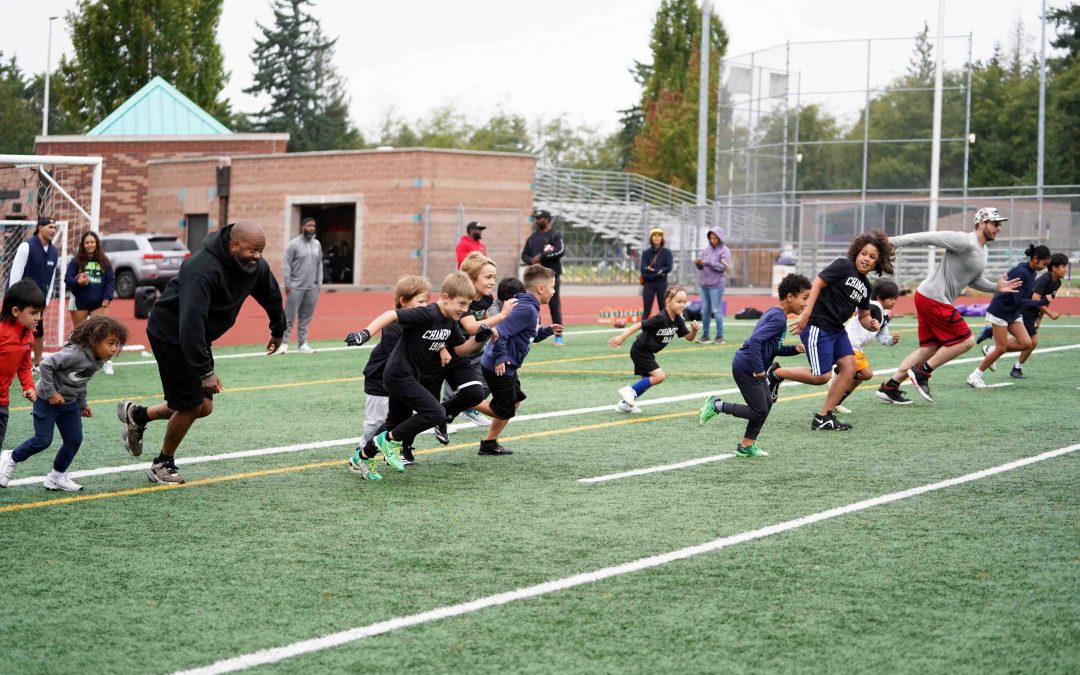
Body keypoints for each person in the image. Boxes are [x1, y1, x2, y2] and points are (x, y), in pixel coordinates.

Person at [116, 222, 286, 485]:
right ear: (234, 245)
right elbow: (190, 322)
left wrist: (278, 329)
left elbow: (271, 294)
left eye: (261, 250)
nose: (258, 256)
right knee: (192, 404)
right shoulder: (202, 268)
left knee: (203, 407)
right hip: (172, 334)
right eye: (253, 250)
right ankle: (162, 464)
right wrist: (205, 371)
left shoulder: (254, 266)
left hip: (196, 335)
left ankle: (137, 415)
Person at [344, 272, 493, 481]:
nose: (464, 309)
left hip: (410, 376)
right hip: (398, 375)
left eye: (467, 304)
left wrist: (479, 339)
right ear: (445, 297)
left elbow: (460, 350)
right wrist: (365, 333)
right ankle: (389, 441)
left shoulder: (450, 321)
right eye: (461, 303)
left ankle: (363, 456)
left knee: (395, 422)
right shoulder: (427, 313)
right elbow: (392, 315)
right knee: (436, 413)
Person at [876, 207, 1022, 404]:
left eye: (999, 225)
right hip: (934, 298)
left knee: (929, 348)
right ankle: (922, 373)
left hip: (929, 297)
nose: (998, 228)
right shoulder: (964, 240)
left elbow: (974, 280)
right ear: (981, 224)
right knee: (967, 341)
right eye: (995, 224)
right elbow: (928, 237)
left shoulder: (983, 250)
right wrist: (894, 241)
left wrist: (997, 287)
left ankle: (890, 387)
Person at [766, 230, 893, 431]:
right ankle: (777, 373)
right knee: (822, 377)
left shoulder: (867, 287)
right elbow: (817, 282)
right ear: (856, 252)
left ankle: (823, 416)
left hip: (837, 330)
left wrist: (872, 324)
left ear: (878, 262)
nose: (867, 259)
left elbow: (864, 316)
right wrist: (806, 313)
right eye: (864, 254)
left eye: (872, 257)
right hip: (818, 325)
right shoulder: (844, 265)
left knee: (850, 369)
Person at [0, 316, 127, 492]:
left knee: (74, 439)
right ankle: (10, 458)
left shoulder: (98, 360)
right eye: (111, 343)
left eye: (117, 344)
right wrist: (51, 393)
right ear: (94, 340)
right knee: (42, 440)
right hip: (46, 401)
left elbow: (81, 381)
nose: (114, 349)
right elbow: (45, 365)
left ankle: (56, 477)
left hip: (70, 404)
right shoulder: (75, 353)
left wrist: (83, 404)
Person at [698, 273, 812, 457]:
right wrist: (759, 370)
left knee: (766, 404)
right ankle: (717, 405)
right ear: (790, 296)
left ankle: (746, 445)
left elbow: (772, 347)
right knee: (759, 410)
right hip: (747, 367)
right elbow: (756, 341)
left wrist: (794, 349)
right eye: (804, 298)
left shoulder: (774, 313)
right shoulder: (778, 318)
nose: (806, 303)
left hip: (749, 364)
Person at [469, 267, 561, 455]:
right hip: (499, 365)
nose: (554, 291)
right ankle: (465, 401)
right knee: (504, 410)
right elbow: (500, 331)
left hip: (507, 366)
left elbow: (529, 334)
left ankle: (489, 443)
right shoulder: (527, 309)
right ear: (540, 289)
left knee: (515, 401)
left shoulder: (529, 306)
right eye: (552, 287)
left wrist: (547, 330)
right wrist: (502, 357)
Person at [357, 275, 432, 468]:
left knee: (400, 419)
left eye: (427, 301)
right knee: (376, 421)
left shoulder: (421, 322)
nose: (425, 306)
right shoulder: (394, 325)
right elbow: (396, 357)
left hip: (400, 380)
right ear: (403, 301)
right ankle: (362, 451)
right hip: (379, 379)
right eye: (420, 301)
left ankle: (395, 450)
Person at [439, 252, 518, 435]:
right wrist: (502, 315)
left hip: (472, 348)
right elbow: (472, 327)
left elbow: (483, 317)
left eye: (494, 277)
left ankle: (461, 409)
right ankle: (441, 417)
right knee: (450, 389)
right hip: (449, 350)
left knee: (485, 380)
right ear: (471, 279)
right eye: (488, 277)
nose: (492, 282)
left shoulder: (486, 298)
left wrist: (492, 326)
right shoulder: (463, 298)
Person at [966, 244, 1051, 388]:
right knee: (1002, 348)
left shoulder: (1032, 273)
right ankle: (974, 376)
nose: (1045, 267)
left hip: (1013, 312)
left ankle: (989, 350)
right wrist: (1041, 302)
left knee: (1026, 343)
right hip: (1000, 311)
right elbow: (1019, 299)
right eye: (1044, 263)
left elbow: (1021, 295)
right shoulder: (1022, 271)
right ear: (1035, 259)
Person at [609, 286, 699, 413]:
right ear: (668, 301)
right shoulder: (661, 318)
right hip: (640, 350)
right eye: (679, 301)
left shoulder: (678, 319)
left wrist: (694, 330)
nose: (683, 305)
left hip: (648, 352)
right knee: (660, 376)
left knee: (648, 381)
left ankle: (624, 405)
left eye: (684, 302)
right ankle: (629, 390)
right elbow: (639, 325)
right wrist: (622, 337)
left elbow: (689, 338)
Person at [0, 280, 45, 487]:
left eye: (40, 312)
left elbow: (24, 365)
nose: (39, 317)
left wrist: (28, 386)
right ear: (16, 311)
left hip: (3, 402)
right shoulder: (2, 331)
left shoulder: (28, 336)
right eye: (34, 312)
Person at [834, 280, 902, 413]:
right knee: (866, 374)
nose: (894, 302)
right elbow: (857, 308)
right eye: (891, 298)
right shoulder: (871, 306)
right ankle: (838, 375)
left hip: (857, 348)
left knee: (863, 375)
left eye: (896, 299)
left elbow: (883, 338)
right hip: (849, 344)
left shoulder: (883, 316)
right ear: (879, 298)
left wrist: (892, 340)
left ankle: (836, 400)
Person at [8, 216, 59, 368]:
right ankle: (11, 363)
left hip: (38, 302)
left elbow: (51, 279)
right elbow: (15, 274)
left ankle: (37, 364)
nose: (53, 230)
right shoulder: (26, 247)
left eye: (54, 228)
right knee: (13, 333)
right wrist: (14, 300)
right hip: (21, 300)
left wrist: (46, 303)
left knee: (38, 332)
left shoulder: (54, 251)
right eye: (50, 227)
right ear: (40, 227)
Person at [1009, 252, 1068, 378]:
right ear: (1054, 268)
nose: (1066, 270)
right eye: (1063, 266)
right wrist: (1050, 313)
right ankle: (1014, 366)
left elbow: (1046, 301)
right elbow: (1036, 299)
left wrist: (1040, 318)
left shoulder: (1057, 283)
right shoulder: (1045, 279)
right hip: (1025, 310)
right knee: (1032, 342)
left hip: (1032, 314)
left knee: (1027, 341)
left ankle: (995, 346)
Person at [275, 217, 323, 355]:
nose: (312, 228)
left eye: (314, 226)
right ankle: (284, 343)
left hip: (312, 288)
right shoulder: (293, 245)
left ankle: (303, 344)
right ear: (303, 227)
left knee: (306, 317)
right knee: (289, 317)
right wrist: (288, 284)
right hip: (295, 287)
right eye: (309, 225)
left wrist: (319, 283)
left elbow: (320, 264)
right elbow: (286, 265)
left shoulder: (317, 244)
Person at [521, 209, 565, 345]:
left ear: (546, 219)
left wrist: (542, 256)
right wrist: (531, 261)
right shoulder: (532, 238)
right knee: (533, 305)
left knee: (554, 305)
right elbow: (524, 255)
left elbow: (561, 251)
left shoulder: (555, 235)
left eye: (539, 218)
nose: (537, 220)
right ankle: (535, 334)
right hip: (535, 277)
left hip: (552, 277)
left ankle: (558, 336)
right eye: (536, 218)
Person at [65, 231, 115, 327]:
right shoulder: (76, 260)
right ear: (83, 245)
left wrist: (107, 297)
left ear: (96, 244)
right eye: (87, 243)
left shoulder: (104, 261)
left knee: (101, 333)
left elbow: (110, 280)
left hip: (99, 303)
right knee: (79, 334)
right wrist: (78, 282)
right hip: (80, 303)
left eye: (92, 242)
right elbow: (67, 279)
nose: (90, 245)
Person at [694, 227, 732, 344]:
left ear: (720, 238)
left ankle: (719, 336)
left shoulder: (725, 251)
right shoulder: (707, 250)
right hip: (704, 284)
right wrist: (698, 264)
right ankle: (705, 335)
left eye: (715, 238)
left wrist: (708, 263)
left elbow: (723, 268)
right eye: (711, 238)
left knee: (716, 310)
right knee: (705, 310)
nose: (713, 240)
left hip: (716, 284)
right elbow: (702, 266)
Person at [640, 228, 673, 319]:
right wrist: (658, 272)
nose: (657, 238)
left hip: (661, 284)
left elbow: (668, 267)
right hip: (648, 284)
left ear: (662, 238)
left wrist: (651, 271)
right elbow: (643, 269)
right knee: (647, 310)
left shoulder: (667, 253)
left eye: (659, 236)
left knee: (663, 309)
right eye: (654, 235)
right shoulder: (646, 253)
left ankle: (664, 330)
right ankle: (645, 331)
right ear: (651, 238)